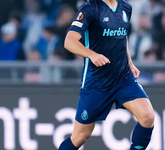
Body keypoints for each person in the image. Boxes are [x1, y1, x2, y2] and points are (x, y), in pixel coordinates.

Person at [58, 0, 155, 149]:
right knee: (79, 137)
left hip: (123, 78)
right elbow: (69, 41)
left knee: (147, 116)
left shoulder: (125, 7)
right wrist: (91, 55)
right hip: (97, 83)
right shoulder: (90, 8)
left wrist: (130, 63)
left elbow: (122, 37)